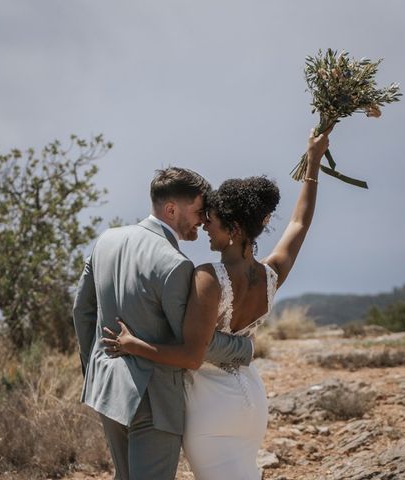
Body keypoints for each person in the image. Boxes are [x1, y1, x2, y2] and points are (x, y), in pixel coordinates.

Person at [102, 128, 331, 479]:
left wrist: (135, 345)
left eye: (214, 221)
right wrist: (313, 161)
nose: (206, 225)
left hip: (211, 408)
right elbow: (300, 222)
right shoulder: (271, 274)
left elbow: (192, 356)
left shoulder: (209, 277)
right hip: (251, 400)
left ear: (235, 229)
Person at [72, 167, 254, 480]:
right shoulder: (176, 264)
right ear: (171, 209)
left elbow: (81, 311)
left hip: (106, 386)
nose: (204, 219)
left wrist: (95, 367)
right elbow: (196, 343)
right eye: (199, 211)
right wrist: (243, 347)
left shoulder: (107, 240)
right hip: (153, 399)